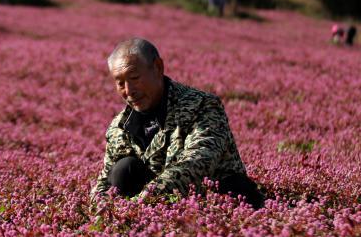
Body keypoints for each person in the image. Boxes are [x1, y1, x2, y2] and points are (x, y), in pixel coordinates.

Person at [90, 37, 264, 209]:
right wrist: (104, 212)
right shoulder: (120, 127)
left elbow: (199, 162)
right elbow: (105, 181)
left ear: (158, 67)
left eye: (134, 78)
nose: (128, 91)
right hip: (156, 209)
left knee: (235, 188)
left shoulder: (202, 105)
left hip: (214, 200)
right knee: (123, 169)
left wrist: (143, 201)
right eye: (120, 83)